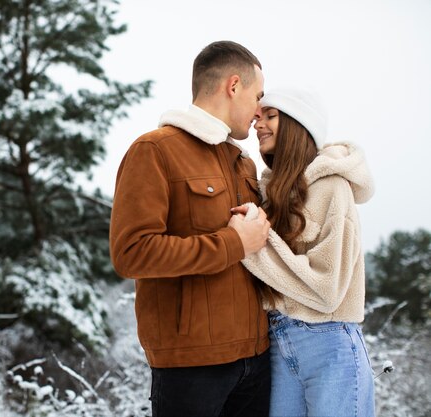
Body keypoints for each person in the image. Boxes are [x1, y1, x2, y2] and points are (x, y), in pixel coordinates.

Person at [109, 40, 272, 417]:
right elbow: (132, 253)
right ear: (234, 86)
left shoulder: (244, 164)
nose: (259, 109)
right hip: (191, 368)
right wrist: (233, 242)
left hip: (258, 359)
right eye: (257, 95)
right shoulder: (154, 150)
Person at [231, 87, 376, 416]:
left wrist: (253, 241)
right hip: (278, 342)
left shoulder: (332, 187)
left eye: (271, 116)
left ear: (299, 125)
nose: (258, 125)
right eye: (257, 117)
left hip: (329, 343)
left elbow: (329, 291)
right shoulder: (271, 190)